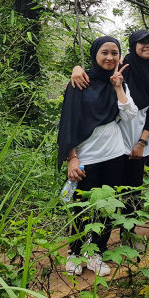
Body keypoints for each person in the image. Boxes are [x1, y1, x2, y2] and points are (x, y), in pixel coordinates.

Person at [58, 36, 137, 277]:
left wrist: (117, 87)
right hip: (86, 156)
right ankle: (74, 252)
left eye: (114, 52)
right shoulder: (79, 81)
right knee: (81, 208)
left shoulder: (119, 82)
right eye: (105, 52)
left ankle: (97, 252)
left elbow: (130, 114)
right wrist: (71, 157)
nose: (110, 57)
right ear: (95, 54)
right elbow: (68, 121)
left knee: (106, 207)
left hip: (114, 155)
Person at [71, 29, 149, 232]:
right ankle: (96, 239)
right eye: (142, 42)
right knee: (106, 193)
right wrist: (77, 68)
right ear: (132, 45)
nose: (148, 45)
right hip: (112, 145)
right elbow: (95, 70)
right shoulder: (120, 67)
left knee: (132, 191)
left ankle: (127, 235)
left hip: (138, 143)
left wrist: (141, 142)